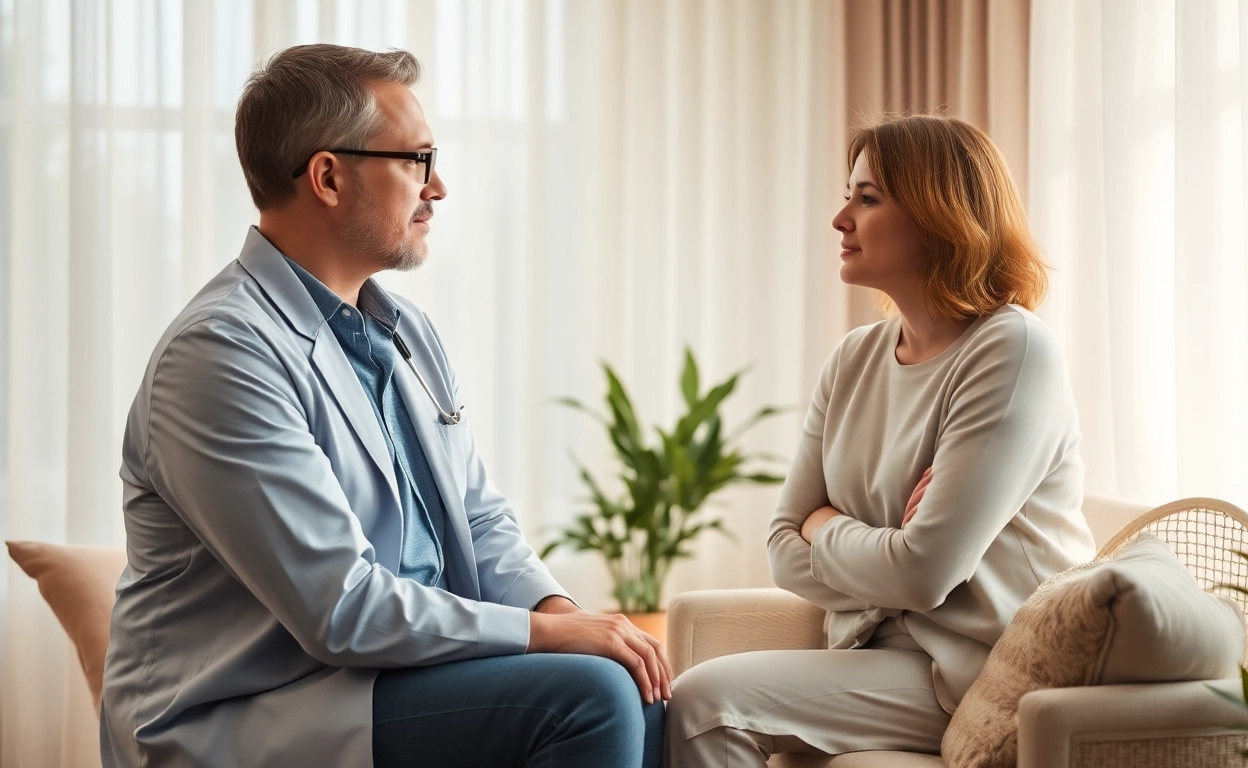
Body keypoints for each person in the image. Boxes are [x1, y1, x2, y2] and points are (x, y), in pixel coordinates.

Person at [100, 44, 666, 768]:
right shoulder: (219, 354)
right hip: (256, 710)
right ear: (329, 177)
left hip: (390, 680)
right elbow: (341, 608)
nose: (440, 188)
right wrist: (546, 638)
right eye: (417, 160)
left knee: (639, 686)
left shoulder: (403, 332)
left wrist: (560, 612)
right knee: (588, 697)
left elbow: (479, 517)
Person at [664, 114, 1095, 765]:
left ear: (937, 215)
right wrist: (884, 546)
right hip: (874, 659)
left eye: (867, 199)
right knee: (697, 698)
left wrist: (828, 525)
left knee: (706, 702)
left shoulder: (1011, 351)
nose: (841, 219)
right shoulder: (854, 358)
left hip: (973, 674)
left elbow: (923, 574)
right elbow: (783, 545)